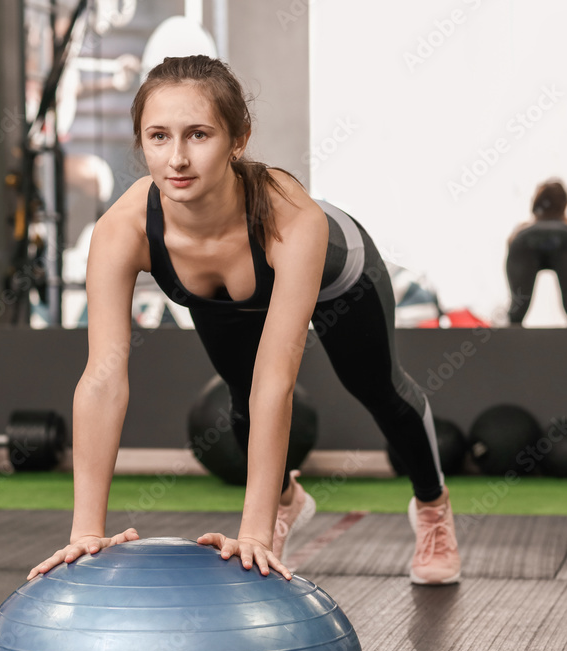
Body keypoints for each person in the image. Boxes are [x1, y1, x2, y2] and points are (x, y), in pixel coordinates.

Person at [28, 55, 460, 585]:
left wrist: (250, 535)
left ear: (238, 139)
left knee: (375, 388)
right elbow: (103, 377)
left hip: (337, 276)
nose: (177, 158)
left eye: (199, 135)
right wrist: (85, 533)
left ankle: (433, 508)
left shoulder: (291, 216)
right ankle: (286, 502)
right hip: (224, 295)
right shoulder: (123, 229)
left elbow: (277, 381)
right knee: (239, 401)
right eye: (159, 136)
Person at [506, 179, 567, 325]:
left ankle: (509, 344)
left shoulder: (521, 232)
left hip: (525, 242)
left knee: (517, 310)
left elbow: (510, 246)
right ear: (564, 204)